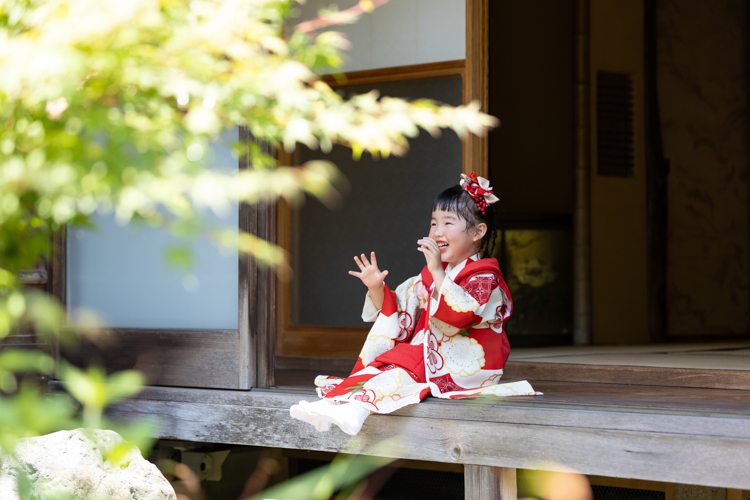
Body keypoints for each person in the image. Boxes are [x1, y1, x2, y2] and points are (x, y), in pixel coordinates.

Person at [290, 172, 540, 435]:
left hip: (463, 361)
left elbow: (459, 315)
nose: (437, 232)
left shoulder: (485, 278)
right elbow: (399, 310)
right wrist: (376, 287)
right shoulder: (432, 274)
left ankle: (355, 411)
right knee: (383, 364)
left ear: (478, 232)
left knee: (399, 370)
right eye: (433, 223)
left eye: (448, 223)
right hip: (427, 352)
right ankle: (332, 405)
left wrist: (438, 271)